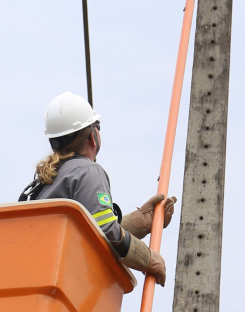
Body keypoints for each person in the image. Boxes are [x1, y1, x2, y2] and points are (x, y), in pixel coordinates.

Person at [20, 92, 176, 286]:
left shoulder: (46, 182)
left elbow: (89, 232)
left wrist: (140, 221)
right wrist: (148, 259)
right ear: (92, 137)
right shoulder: (87, 171)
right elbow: (106, 231)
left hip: (39, 278)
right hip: (66, 283)